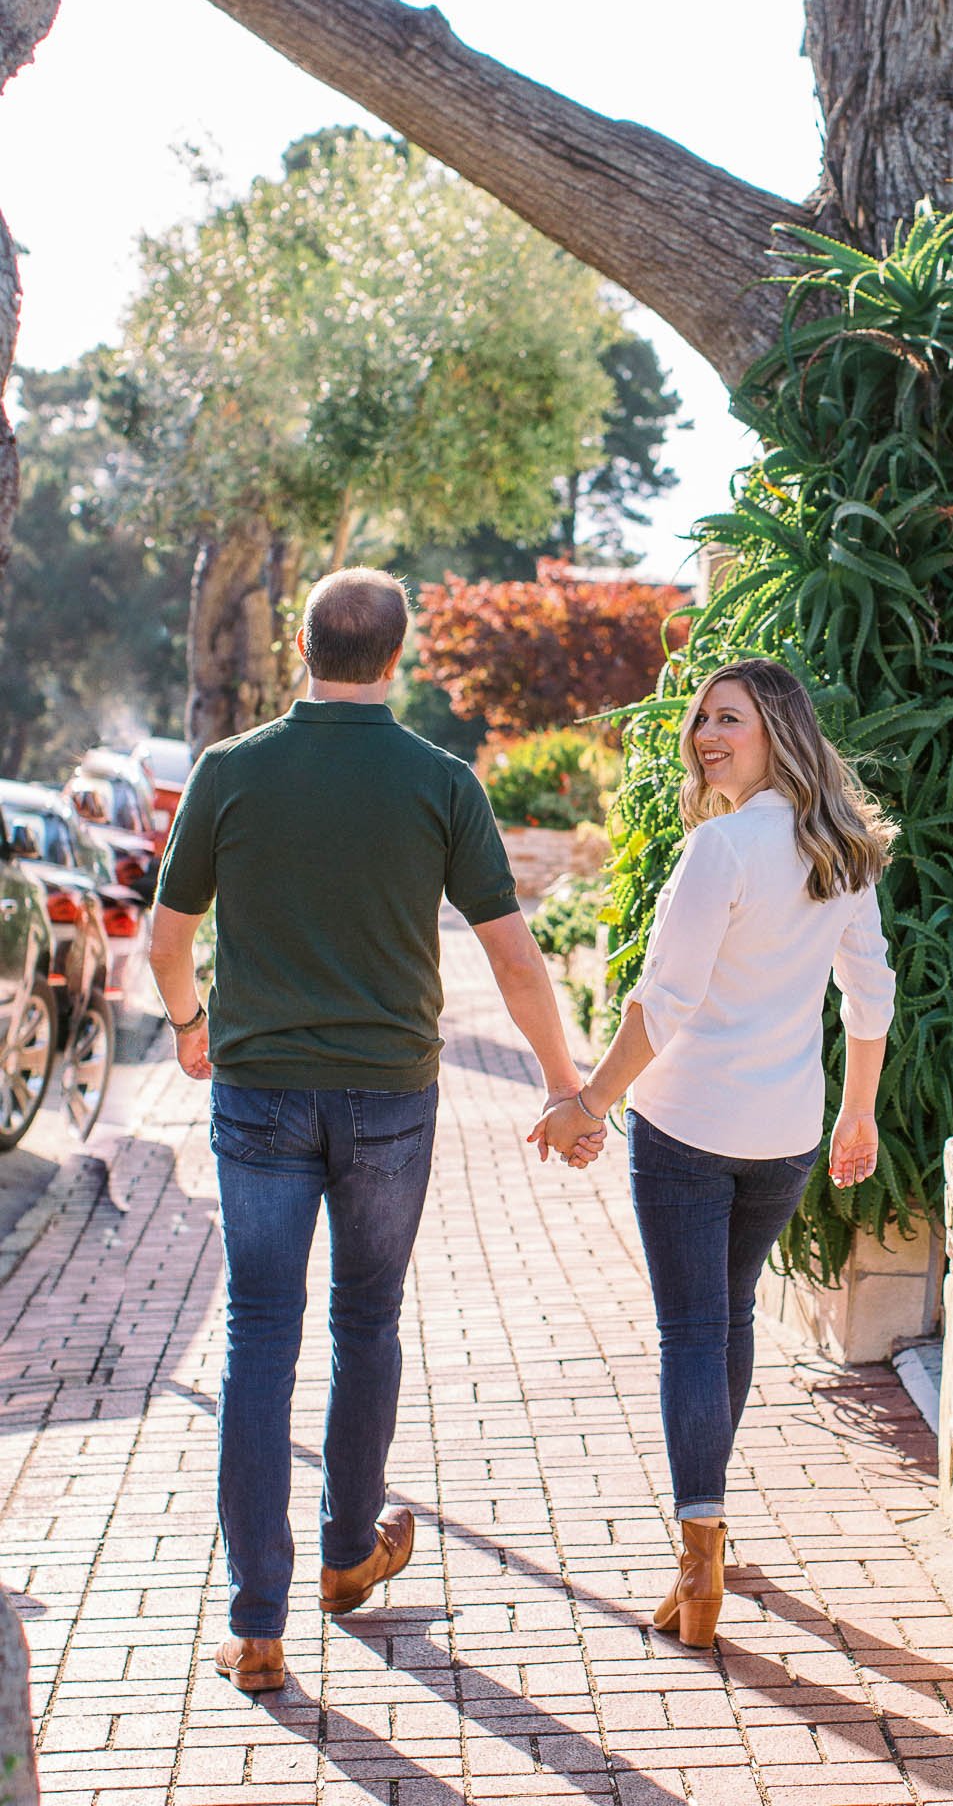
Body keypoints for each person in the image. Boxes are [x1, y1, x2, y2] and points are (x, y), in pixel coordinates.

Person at [149, 568, 602, 1696]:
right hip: (391, 1096)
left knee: (261, 1333)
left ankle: (257, 1624)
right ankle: (349, 1551)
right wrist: (565, 1083)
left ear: (301, 646)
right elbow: (510, 955)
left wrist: (191, 1023)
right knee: (369, 1319)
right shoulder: (439, 781)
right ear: (396, 657)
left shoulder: (230, 771)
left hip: (257, 1092)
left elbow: (166, 939)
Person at [532, 659, 896, 1649]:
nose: (704, 736)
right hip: (782, 1135)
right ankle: (711, 1528)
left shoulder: (721, 851)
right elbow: (871, 991)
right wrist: (855, 1110)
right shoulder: (841, 847)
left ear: (777, 728)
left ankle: (699, 1551)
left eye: (726, 719)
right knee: (726, 1315)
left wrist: (587, 1102)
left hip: (689, 1126)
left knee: (695, 1330)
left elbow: (665, 1000)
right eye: (700, 721)